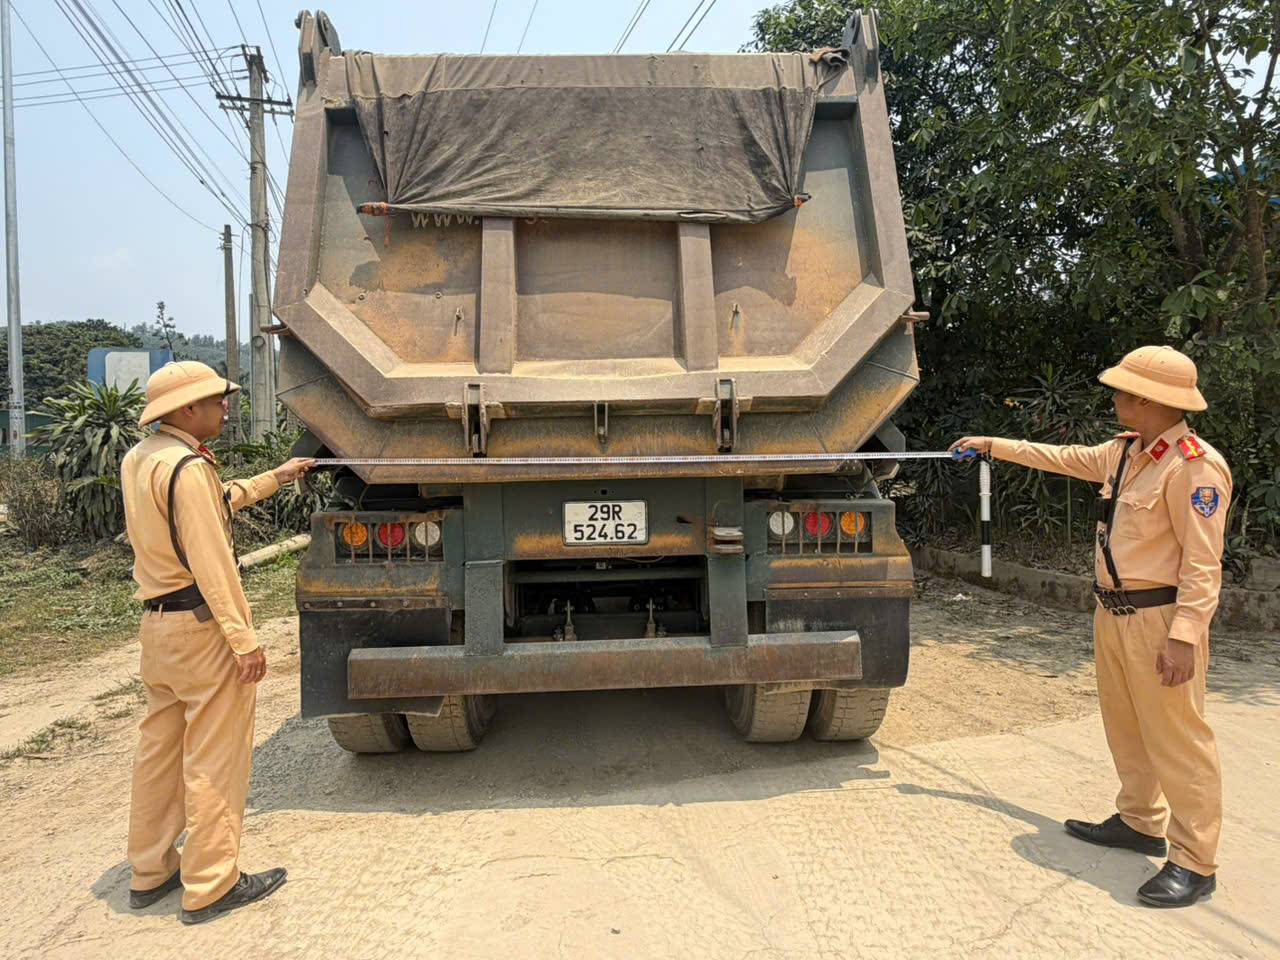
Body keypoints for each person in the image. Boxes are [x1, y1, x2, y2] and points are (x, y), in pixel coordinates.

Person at [952, 345, 1230, 908]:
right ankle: (1140, 821)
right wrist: (991, 445)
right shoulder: (1125, 453)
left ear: (1150, 400)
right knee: (1127, 727)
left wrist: (1184, 637)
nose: (1115, 396)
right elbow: (1059, 457)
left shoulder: (1194, 468)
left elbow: (1203, 566)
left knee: (1178, 739)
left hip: (1159, 620)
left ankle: (1195, 861)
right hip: (1113, 612)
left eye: (1124, 389)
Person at [121, 361, 315, 925]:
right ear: (187, 410)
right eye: (216, 401)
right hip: (200, 627)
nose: (225, 408)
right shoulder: (187, 468)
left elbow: (212, 505)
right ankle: (211, 883)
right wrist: (243, 640)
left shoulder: (144, 458)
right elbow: (211, 562)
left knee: (159, 753)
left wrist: (275, 476)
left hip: (159, 627)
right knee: (215, 756)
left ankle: (150, 870)